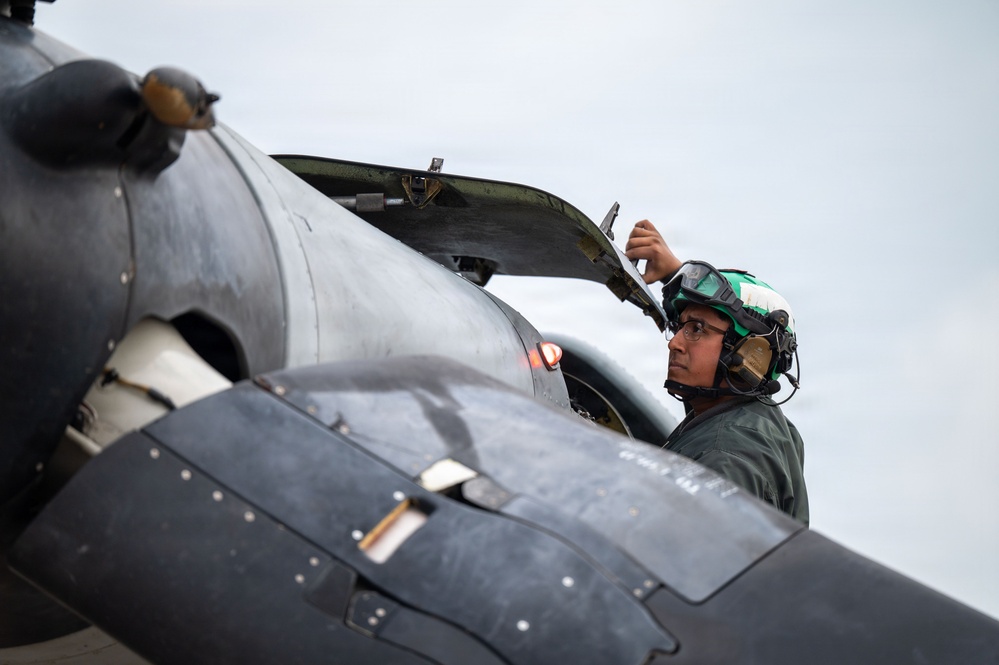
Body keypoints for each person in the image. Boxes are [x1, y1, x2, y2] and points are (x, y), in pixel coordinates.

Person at [625, 220, 809, 526]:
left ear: (750, 354)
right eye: (681, 327)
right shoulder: (758, 421)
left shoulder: (725, 459)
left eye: (696, 329)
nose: (675, 342)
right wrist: (674, 276)